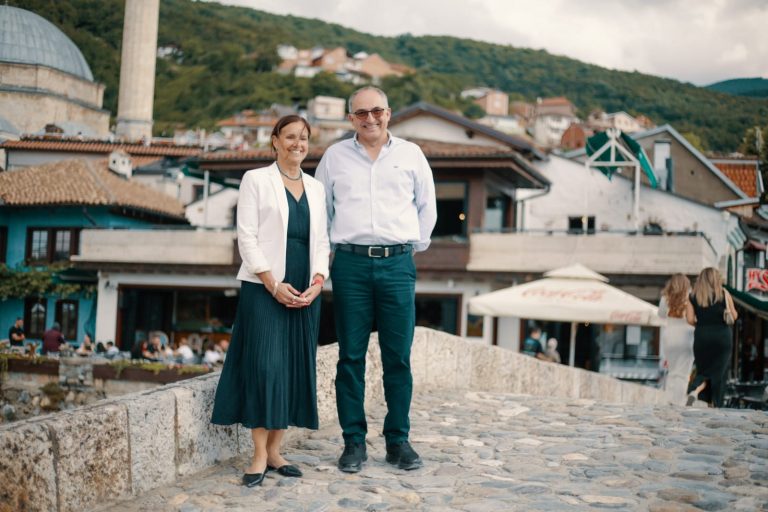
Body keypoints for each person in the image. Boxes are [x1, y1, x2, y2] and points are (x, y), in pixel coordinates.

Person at [315, 86, 437, 473]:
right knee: (350, 357)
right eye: (361, 113)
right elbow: (322, 212)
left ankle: (398, 441)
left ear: (389, 113)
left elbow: (427, 207)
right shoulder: (334, 157)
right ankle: (353, 442)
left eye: (377, 111)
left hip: (397, 266)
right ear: (351, 118)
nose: (370, 118)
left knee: (397, 357)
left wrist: (408, 248)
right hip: (350, 266)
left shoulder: (411, 155)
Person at [211, 115, 330, 488]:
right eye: (290, 136)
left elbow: (323, 241)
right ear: (275, 140)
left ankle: (277, 451)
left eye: (304, 138)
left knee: (293, 367)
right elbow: (246, 237)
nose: (298, 143)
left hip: (305, 287)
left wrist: (319, 281)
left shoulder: (316, 188)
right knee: (265, 366)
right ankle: (259, 454)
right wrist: (272, 283)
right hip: (264, 286)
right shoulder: (256, 179)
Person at [684, 267, 737, 407]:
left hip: (702, 337)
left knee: (703, 371)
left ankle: (694, 390)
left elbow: (689, 319)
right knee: (718, 373)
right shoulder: (723, 293)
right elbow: (734, 315)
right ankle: (715, 404)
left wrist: (702, 325)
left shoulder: (693, 296)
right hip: (722, 338)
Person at [658, 274, 695, 405]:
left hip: (669, 336)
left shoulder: (665, 298)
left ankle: (669, 400)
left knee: (672, 370)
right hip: (686, 336)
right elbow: (693, 318)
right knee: (683, 373)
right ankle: (678, 402)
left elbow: (661, 315)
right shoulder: (690, 298)